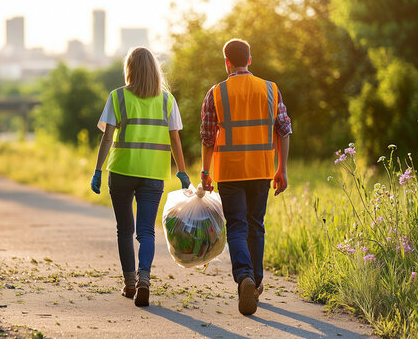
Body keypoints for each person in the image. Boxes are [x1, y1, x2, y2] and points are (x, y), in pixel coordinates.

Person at [91, 47, 190, 307]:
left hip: (122, 170)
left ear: (129, 69)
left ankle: (129, 283)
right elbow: (175, 139)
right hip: (153, 173)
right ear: (154, 70)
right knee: (146, 231)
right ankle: (144, 278)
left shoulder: (117, 97)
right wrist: (182, 171)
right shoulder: (167, 100)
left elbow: (107, 137)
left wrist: (98, 170)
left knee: (125, 230)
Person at [200, 39, 292, 315]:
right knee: (256, 224)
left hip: (228, 172)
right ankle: (256, 282)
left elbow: (207, 137)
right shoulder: (270, 89)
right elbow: (284, 130)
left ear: (226, 62)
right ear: (250, 59)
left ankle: (244, 277)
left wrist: (205, 172)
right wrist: (281, 169)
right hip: (261, 169)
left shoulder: (216, 93)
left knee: (237, 226)